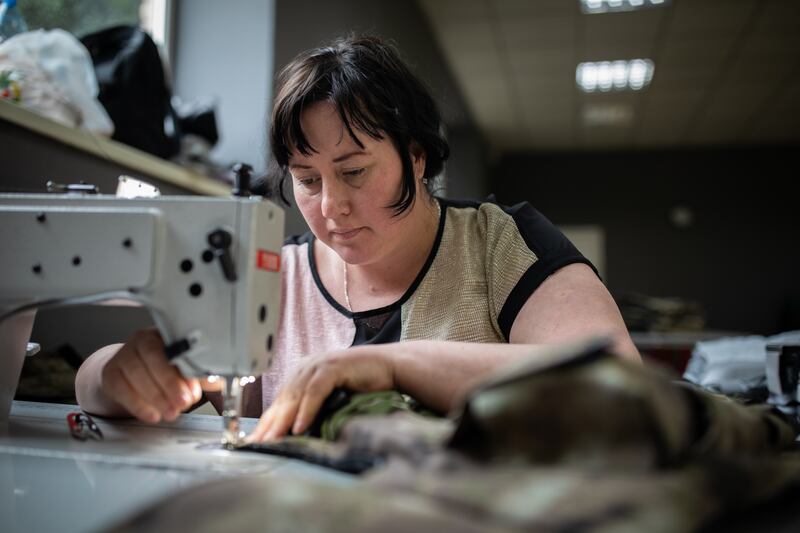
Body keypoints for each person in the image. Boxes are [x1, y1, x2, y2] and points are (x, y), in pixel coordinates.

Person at [75, 36, 640, 442]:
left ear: (416, 158)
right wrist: (113, 376)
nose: (331, 206)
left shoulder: (500, 242)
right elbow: (98, 384)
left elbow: (618, 384)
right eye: (306, 180)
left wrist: (396, 365)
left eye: (354, 172)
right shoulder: (273, 271)